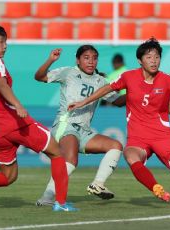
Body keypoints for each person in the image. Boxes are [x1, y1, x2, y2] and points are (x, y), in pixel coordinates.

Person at [69, 38, 170, 208]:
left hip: (162, 136)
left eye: (157, 57)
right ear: (140, 60)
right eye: (149, 57)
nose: (154, 61)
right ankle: (156, 188)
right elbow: (107, 88)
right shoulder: (128, 77)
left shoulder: (166, 80)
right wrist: (83, 102)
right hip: (138, 137)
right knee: (130, 155)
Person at [0, 22, 77, 211]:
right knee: (57, 153)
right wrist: (18, 105)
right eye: (1, 41)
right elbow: (1, 84)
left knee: (8, 176)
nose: (5, 45)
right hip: (15, 122)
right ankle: (60, 203)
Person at [34, 45, 126, 206]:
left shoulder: (101, 81)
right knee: (71, 159)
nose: (91, 61)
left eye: (94, 58)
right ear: (78, 60)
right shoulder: (69, 72)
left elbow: (118, 101)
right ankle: (47, 197)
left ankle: (97, 184)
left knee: (116, 146)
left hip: (84, 131)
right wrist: (50, 60)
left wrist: (137, 91)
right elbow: (39, 77)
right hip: (66, 124)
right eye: (86, 57)